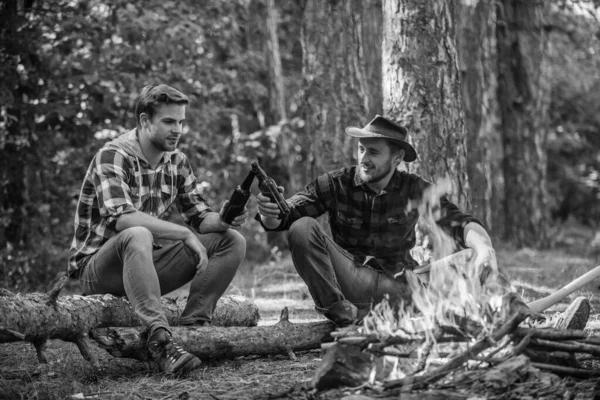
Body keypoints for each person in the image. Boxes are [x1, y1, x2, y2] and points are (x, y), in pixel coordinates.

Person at [256, 115, 591, 329]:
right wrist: (272, 217)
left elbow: (460, 223)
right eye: (361, 149)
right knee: (301, 227)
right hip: (350, 283)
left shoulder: (413, 189)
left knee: (473, 259)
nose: (364, 158)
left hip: (400, 287)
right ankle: (340, 314)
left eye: (374, 152)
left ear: (397, 158)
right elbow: (289, 215)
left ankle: (534, 321)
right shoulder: (335, 183)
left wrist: (484, 246)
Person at [68, 84, 248, 375]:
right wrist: (184, 234)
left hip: (147, 266)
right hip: (99, 271)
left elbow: (200, 217)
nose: (177, 129)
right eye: (168, 121)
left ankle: (195, 331)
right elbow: (123, 219)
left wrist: (224, 219)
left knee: (232, 240)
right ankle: (160, 342)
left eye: (181, 122)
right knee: (139, 232)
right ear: (144, 121)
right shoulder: (113, 155)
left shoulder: (176, 161)